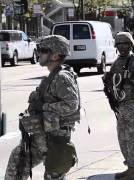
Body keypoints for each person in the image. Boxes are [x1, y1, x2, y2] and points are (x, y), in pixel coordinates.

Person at [5, 35, 80, 180]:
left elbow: (71, 105)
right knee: (18, 161)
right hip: (41, 137)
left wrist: (44, 106)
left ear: (56, 55)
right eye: (38, 49)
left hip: (55, 139)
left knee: (53, 176)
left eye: (43, 50)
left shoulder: (62, 77)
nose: (38, 53)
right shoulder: (53, 76)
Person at [102, 32, 134, 180]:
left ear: (131, 45)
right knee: (122, 137)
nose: (122, 47)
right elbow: (115, 81)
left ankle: (133, 170)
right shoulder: (118, 61)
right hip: (121, 105)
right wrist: (108, 79)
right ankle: (129, 166)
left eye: (125, 44)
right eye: (119, 45)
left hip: (132, 104)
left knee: (131, 137)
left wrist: (132, 76)